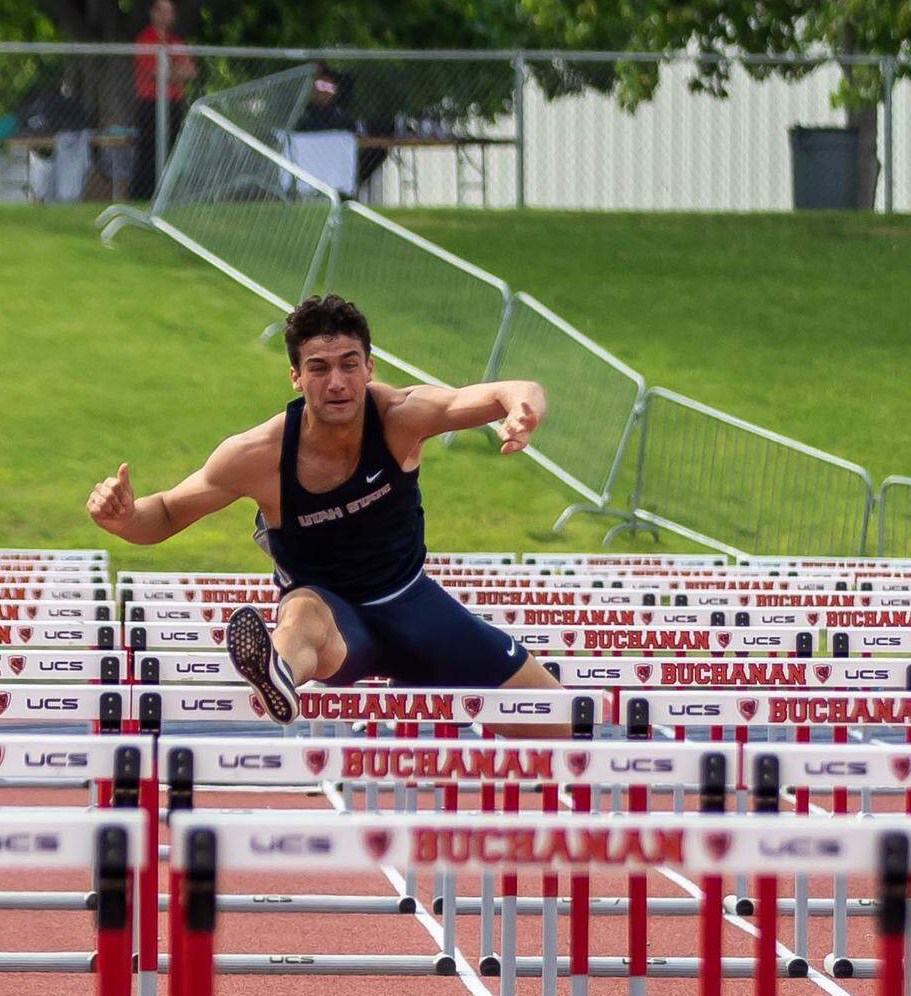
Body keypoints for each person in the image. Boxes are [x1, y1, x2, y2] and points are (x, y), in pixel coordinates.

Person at [87, 294, 564, 737]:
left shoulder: (402, 416)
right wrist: (124, 519)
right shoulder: (258, 455)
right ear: (295, 376)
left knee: (565, 724)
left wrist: (524, 410)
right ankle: (278, 674)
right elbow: (168, 511)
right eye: (318, 368)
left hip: (417, 609)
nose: (336, 382)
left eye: (348, 365)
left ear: (369, 368)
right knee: (302, 611)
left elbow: (512, 389)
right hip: (336, 626)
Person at [131, 0, 196, 199]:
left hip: (174, 103)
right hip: (151, 104)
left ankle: (168, 196)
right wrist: (175, 73)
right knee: (149, 152)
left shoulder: (176, 42)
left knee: (172, 151)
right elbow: (156, 73)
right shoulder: (145, 40)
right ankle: (144, 196)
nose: (168, 16)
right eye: (164, 11)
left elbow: (191, 72)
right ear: (154, 13)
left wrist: (171, 73)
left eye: (171, 11)